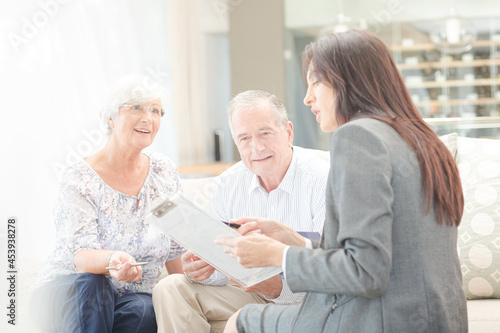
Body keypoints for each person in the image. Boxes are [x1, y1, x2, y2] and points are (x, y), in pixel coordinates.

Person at [217, 30, 467, 332]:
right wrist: (296, 240)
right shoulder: (421, 139)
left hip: (381, 320)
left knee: (239, 321)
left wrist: (276, 254)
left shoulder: (359, 137)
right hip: (437, 320)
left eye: (315, 82)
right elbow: (383, 251)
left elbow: (365, 272)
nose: (308, 97)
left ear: (347, 81)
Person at [152, 90, 329, 332]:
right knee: (170, 287)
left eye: (264, 133)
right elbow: (220, 266)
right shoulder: (228, 183)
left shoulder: (322, 180)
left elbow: (333, 271)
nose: (256, 147)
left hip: (308, 299)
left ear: (288, 132)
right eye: (244, 138)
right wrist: (202, 269)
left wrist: (278, 288)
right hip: (249, 293)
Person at [30, 74, 184, 333]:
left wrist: (185, 293)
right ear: (110, 117)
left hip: (130, 295)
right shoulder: (79, 179)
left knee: (145, 312)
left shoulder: (164, 172)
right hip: (70, 287)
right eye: (136, 107)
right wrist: (114, 259)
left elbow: (175, 247)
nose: (148, 117)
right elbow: (81, 257)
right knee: (95, 283)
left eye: (156, 110)